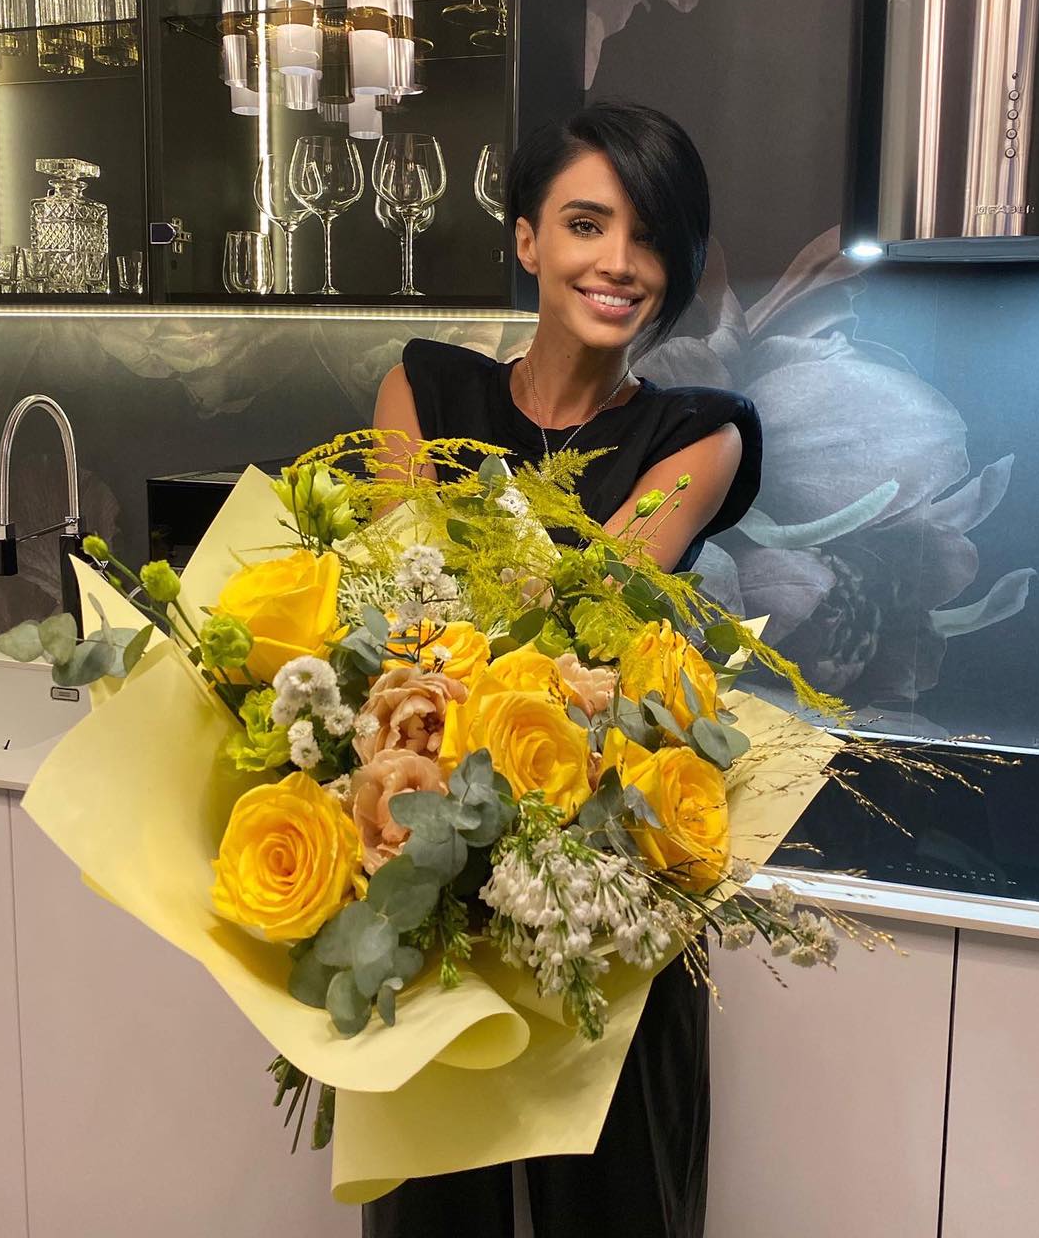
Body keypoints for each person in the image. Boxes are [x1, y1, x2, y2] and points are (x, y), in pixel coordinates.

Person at [366, 99, 762, 1238]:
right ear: (528, 238)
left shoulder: (700, 434)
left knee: (621, 1209)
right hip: (438, 890)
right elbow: (404, 625)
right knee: (435, 1217)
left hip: (610, 903)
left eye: (650, 236)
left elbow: (566, 622)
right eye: (586, 224)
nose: (618, 262)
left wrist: (458, 627)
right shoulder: (421, 390)